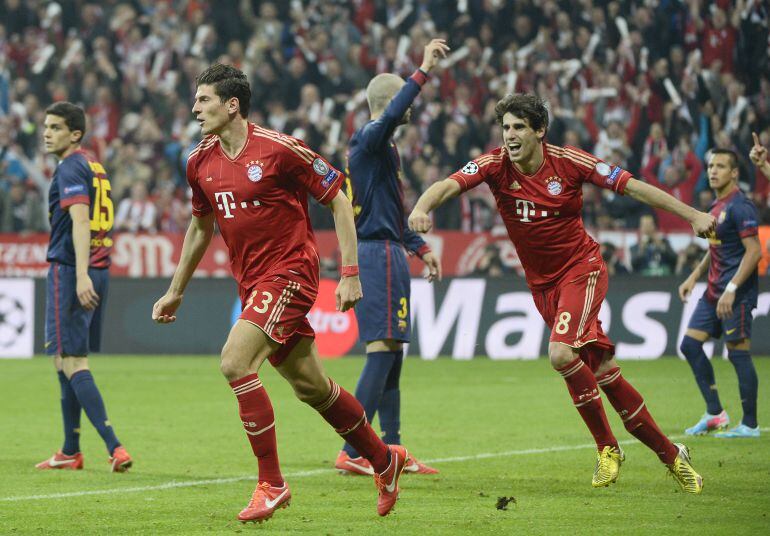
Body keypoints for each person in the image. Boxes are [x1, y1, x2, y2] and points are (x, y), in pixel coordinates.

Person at [408, 93, 715, 494]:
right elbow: (448, 184)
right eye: (505, 128)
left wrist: (692, 215)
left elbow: (635, 187)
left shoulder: (570, 162)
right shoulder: (495, 165)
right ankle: (672, 455)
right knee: (603, 371)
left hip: (581, 271)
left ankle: (608, 448)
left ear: (539, 131)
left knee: (560, 353)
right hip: (542, 287)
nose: (510, 136)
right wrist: (421, 207)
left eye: (519, 127)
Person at [151, 64, 408, 523]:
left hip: (291, 272)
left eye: (204, 99)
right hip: (252, 281)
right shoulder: (198, 162)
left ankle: (271, 483)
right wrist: (176, 291)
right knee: (311, 386)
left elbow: (339, 197)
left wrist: (349, 273)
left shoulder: (279, 150)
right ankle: (384, 459)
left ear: (232, 105)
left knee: (234, 361)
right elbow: (200, 226)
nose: (195, 108)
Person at [334, 38, 447, 477]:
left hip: (391, 250)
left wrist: (420, 249)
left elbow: (392, 214)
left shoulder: (386, 149)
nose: (411, 108)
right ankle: (353, 448)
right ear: (388, 103)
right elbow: (395, 111)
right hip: (374, 253)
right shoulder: (368, 138)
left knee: (394, 352)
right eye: (403, 98)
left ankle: (392, 449)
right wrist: (422, 71)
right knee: (381, 348)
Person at [36, 102, 132, 472]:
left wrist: (79, 275)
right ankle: (69, 449)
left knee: (73, 361)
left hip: (73, 270)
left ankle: (115, 446)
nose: (47, 133)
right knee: (63, 359)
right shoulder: (93, 164)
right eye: (45, 126)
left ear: (75, 134)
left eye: (55, 127)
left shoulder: (71, 166)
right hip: (97, 267)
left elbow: (80, 222)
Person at [678, 149, 762, 438]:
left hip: (736, 292)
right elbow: (715, 248)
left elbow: (754, 252)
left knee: (738, 353)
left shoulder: (741, 206)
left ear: (734, 172)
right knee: (689, 345)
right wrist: (693, 275)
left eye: (721, 166)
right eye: (711, 165)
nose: (713, 171)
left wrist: (732, 288)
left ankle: (750, 424)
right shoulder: (715, 206)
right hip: (714, 291)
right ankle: (715, 413)